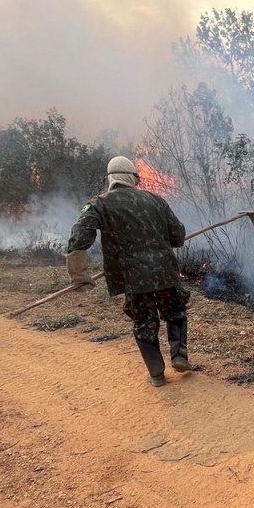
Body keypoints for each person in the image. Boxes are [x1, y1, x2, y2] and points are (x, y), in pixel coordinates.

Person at [65, 156, 192, 387]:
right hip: (164, 272)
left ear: (111, 178)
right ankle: (180, 356)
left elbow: (79, 237)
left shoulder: (99, 204)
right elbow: (178, 236)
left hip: (132, 278)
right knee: (175, 312)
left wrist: (79, 275)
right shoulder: (156, 200)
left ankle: (156, 373)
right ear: (133, 177)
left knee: (144, 321)